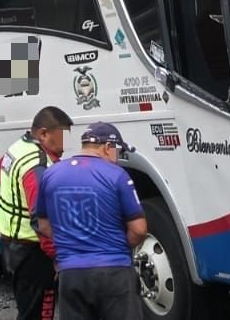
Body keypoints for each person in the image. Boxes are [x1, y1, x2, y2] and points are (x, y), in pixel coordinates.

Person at [34, 122, 147, 320]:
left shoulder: (51, 174)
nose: (118, 158)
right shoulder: (117, 175)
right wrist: (117, 244)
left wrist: (71, 241)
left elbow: (43, 224)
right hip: (114, 271)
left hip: (71, 274)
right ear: (107, 147)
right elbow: (138, 230)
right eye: (118, 152)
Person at [0, 106, 73, 320]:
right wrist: (56, 256)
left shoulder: (18, 147)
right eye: (62, 136)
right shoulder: (37, 164)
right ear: (44, 133)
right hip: (33, 251)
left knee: (27, 309)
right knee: (39, 314)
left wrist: (16, 198)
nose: (65, 145)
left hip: (10, 243)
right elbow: (41, 220)